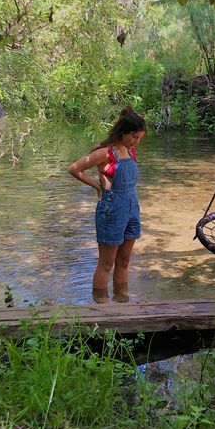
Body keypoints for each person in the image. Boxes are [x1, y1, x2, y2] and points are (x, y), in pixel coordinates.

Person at [69, 107, 147, 303]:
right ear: (124, 132)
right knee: (106, 263)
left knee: (124, 261)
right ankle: (102, 308)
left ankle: (121, 301)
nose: (137, 141)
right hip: (111, 209)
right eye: (134, 137)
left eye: (139, 138)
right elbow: (75, 168)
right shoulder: (105, 153)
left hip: (132, 207)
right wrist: (98, 187)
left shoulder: (130, 150)